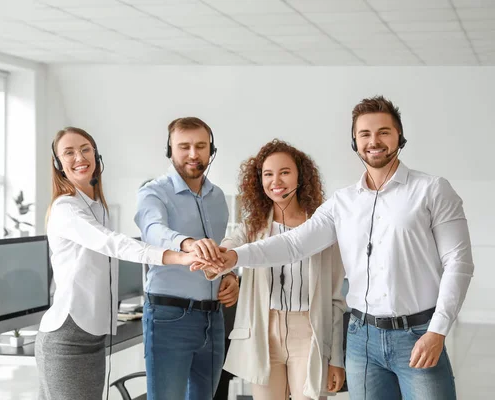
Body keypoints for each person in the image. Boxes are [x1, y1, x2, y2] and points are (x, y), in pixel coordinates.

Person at [195, 96, 475, 400]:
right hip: (362, 338)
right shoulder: (343, 203)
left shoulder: (432, 190)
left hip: (417, 333)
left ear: (399, 137)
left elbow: (458, 263)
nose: (374, 141)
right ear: (355, 142)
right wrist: (234, 256)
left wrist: (438, 330)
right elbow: (294, 244)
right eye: (364, 134)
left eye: (384, 132)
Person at [36, 127, 206, 400]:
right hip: (67, 339)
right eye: (69, 152)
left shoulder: (96, 206)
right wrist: (179, 256)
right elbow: (114, 243)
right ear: (59, 164)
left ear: (96, 155)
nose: (79, 156)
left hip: (92, 338)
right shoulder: (66, 209)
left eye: (85, 149)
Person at [206, 140, 346, 399]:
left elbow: (336, 299)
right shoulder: (253, 226)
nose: (276, 181)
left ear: (300, 176)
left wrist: (336, 357)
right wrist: (227, 273)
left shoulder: (323, 228)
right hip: (263, 332)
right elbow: (228, 249)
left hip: (309, 332)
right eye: (267, 174)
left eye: (284, 172)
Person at [134, 117, 239, 400]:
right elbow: (153, 230)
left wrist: (230, 276)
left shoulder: (218, 197)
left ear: (211, 150)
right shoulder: (153, 193)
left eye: (201, 146)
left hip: (214, 316)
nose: (193, 154)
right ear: (170, 150)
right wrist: (186, 242)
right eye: (184, 147)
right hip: (170, 318)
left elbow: (218, 252)